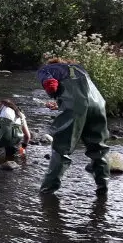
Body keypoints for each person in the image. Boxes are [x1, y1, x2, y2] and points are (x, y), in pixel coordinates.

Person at [37, 58, 110, 195]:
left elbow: (51, 85)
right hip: (98, 105)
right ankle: (103, 187)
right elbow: (83, 94)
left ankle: (47, 190)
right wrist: (61, 103)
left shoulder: (45, 69)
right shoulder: (79, 69)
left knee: (61, 148)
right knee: (98, 148)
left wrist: (55, 95)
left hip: (76, 108)